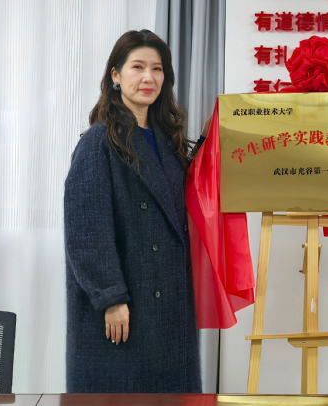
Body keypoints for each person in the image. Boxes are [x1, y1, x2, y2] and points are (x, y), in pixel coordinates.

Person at [64, 29, 209, 393]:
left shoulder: (166, 140)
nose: (149, 78)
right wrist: (111, 298)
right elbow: (86, 231)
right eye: (138, 67)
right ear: (115, 75)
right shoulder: (98, 142)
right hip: (126, 306)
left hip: (170, 303)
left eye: (157, 69)